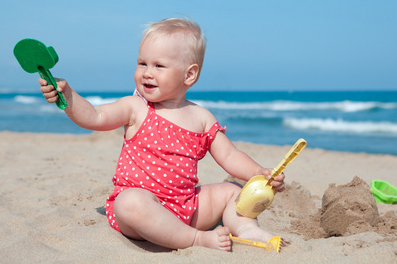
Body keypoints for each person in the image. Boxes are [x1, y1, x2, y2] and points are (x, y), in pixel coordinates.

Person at [39, 18, 285, 252]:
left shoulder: (201, 117)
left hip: (187, 206)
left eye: (159, 66)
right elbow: (95, 116)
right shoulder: (136, 107)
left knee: (232, 190)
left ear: (189, 75)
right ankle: (196, 239)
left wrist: (259, 173)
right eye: (142, 63)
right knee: (129, 202)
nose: (147, 72)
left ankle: (246, 229)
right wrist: (67, 96)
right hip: (144, 211)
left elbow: (230, 155)